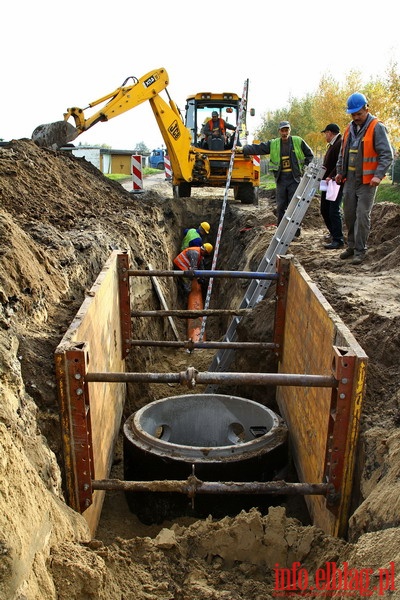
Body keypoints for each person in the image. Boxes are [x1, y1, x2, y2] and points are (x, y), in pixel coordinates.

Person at [335, 92, 393, 265]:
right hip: (350, 180)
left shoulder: (377, 127)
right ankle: (351, 246)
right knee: (349, 215)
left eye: (359, 113)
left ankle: (360, 250)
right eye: (353, 114)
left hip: (367, 182)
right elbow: (342, 153)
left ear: (367, 108)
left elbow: (387, 155)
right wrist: (339, 171)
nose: (356, 117)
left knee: (362, 216)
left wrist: (378, 175)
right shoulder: (349, 128)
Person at [239, 121, 314, 234]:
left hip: (295, 178)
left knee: (294, 205)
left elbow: (310, 155)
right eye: (282, 130)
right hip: (281, 179)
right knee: (281, 206)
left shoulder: (298, 141)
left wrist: (306, 167)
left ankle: (295, 231)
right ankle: (281, 230)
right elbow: (259, 148)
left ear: (290, 130)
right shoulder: (274, 144)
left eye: (286, 130)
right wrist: (244, 149)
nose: (285, 133)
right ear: (279, 131)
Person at [320, 124, 345, 249]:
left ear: (330, 132)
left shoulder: (340, 143)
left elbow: (340, 163)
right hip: (328, 182)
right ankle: (333, 233)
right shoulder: (333, 145)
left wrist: (331, 175)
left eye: (325, 133)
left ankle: (338, 239)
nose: (325, 136)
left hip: (336, 182)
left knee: (333, 210)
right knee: (324, 209)